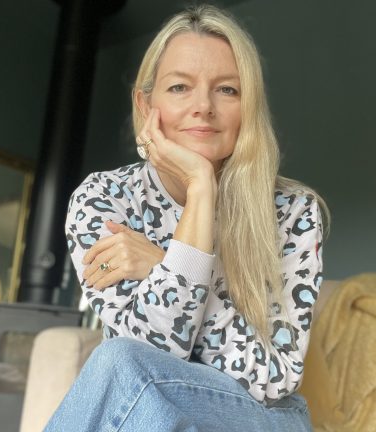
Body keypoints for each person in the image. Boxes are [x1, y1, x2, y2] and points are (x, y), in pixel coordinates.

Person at [45, 4, 329, 431]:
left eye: (227, 90)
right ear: (145, 104)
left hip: (261, 417)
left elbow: (275, 376)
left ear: (249, 106)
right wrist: (200, 193)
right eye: (179, 87)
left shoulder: (294, 211)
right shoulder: (104, 199)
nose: (203, 107)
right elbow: (150, 354)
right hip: (147, 410)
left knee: (119, 362)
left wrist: (166, 260)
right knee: (129, 373)